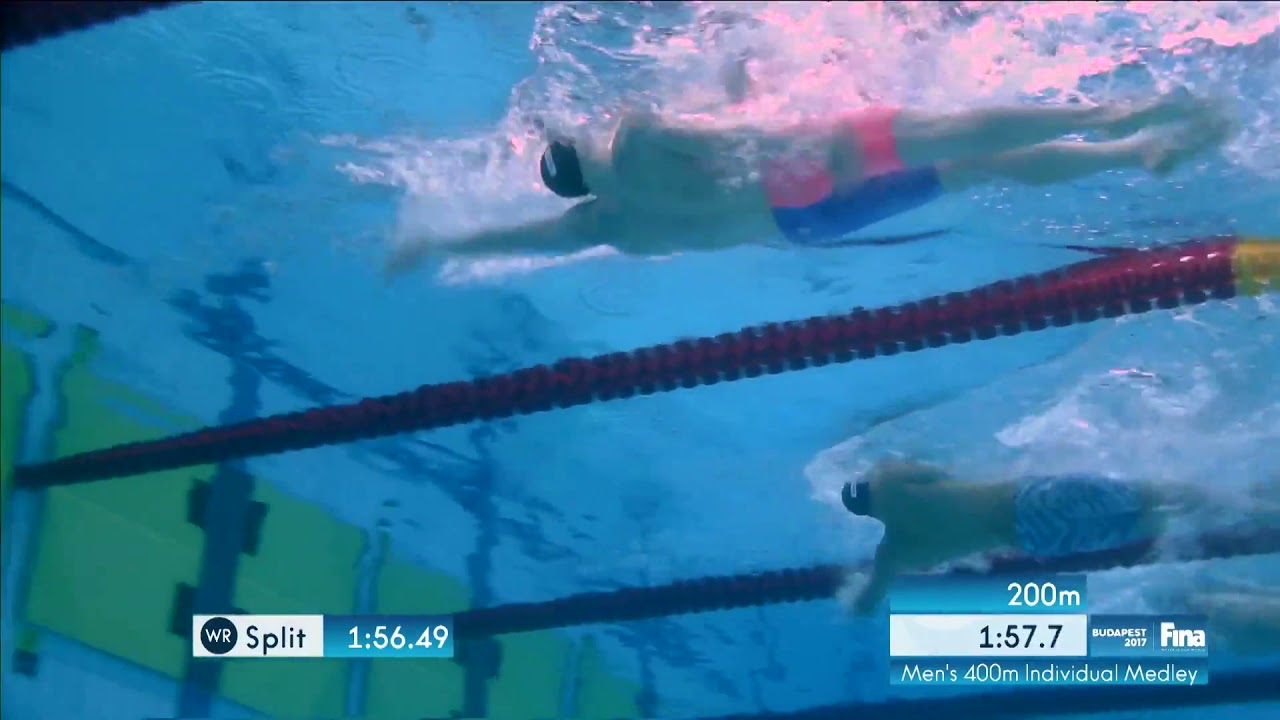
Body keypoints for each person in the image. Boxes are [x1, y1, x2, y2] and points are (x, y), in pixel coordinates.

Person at [385, 83, 1232, 274]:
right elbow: (733, 132)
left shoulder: (607, 225)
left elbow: (520, 239)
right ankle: (1118, 115)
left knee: (972, 169)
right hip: (794, 169)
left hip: (803, 224)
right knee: (953, 131)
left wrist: (434, 244)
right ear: (579, 136)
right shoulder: (635, 137)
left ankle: (1129, 155)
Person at [836, 459, 1274, 616]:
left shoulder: (895, 551)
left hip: (1038, 541)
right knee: (1157, 493)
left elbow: (867, 602)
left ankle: (1244, 518)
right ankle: (1252, 505)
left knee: (1147, 524)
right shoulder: (891, 479)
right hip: (1031, 500)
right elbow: (938, 469)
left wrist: (853, 595)